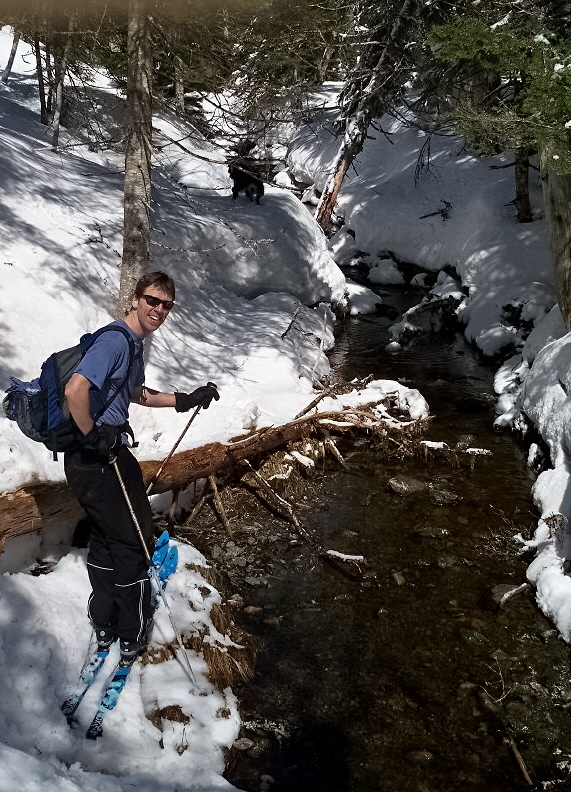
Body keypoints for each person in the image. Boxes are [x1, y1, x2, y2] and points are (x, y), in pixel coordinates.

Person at [63, 271, 219, 663]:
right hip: (95, 458)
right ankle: (130, 633)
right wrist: (92, 436)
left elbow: (136, 394)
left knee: (107, 535)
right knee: (134, 539)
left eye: (167, 305)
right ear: (135, 299)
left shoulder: (133, 345)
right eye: (153, 300)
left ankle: (104, 619)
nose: (159, 310)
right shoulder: (116, 340)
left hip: (109, 453)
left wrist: (184, 399)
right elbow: (75, 389)